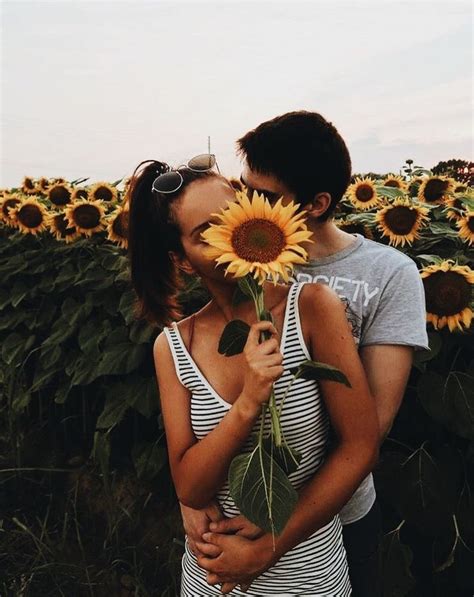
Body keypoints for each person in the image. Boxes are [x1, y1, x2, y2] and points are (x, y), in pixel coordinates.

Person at [180, 111, 429, 596]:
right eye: (244, 187)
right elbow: (204, 376)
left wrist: (277, 525)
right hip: (238, 508)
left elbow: (372, 424)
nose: (249, 203)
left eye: (266, 196)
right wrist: (191, 493)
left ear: (317, 204)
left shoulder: (388, 274)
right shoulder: (241, 260)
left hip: (334, 513)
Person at [128, 156, 379, 595]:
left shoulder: (312, 308)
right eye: (206, 233)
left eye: (231, 217)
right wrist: (247, 402)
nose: (229, 235)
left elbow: (361, 445)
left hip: (308, 576)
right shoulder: (174, 347)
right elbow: (190, 486)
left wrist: (271, 545)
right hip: (212, 578)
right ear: (182, 261)